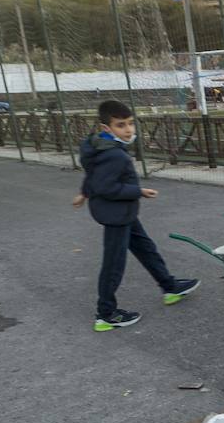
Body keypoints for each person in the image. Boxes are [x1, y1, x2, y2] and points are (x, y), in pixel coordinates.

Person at [74, 100, 199, 331]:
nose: (129, 129)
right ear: (106, 129)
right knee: (114, 264)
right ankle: (106, 314)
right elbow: (106, 187)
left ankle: (169, 286)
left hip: (124, 212)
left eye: (131, 123)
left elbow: (94, 175)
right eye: (121, 125)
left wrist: (83, 193)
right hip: (116, 214)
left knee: (145, 248)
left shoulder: (98, 146)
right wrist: (138, 191)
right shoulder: (114, 155)